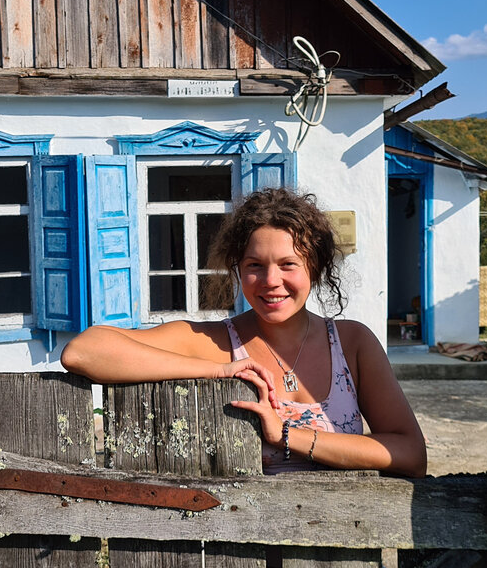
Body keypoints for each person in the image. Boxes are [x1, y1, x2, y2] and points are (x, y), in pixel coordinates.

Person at [61, 187, 426, 477]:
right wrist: (220, 371)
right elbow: (83, 352)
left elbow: (410, 454)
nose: (271, 282)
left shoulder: (352, 343)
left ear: (314, 267)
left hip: (341, 555)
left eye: (288, 265)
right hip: (242, 562)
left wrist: (287, 435)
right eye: (254, 265)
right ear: (237, 269)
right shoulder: (215, 343)